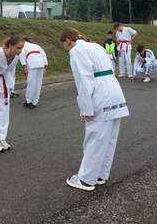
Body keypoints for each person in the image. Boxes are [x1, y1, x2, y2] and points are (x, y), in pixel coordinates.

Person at [60, 28, 130, 192]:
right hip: (114, 91)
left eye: (64, 45)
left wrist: (85, 109)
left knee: (95, 138)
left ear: (68, 41)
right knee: (109, 138)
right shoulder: (96, 46)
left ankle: (86, 179)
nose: (65, 49)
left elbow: (84, 81)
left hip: (100, 94)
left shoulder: (77, 51)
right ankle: (100, 175)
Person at [19, 38, 48, 108]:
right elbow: (43, 54)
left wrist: (24, 66)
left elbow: (21, 54)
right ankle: (35, 102)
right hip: (41, 63)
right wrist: (45, 65)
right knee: (38, 83)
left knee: (31, 83)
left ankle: (28, 101)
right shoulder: (36, 46)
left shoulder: (23, 45)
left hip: (32, 63)